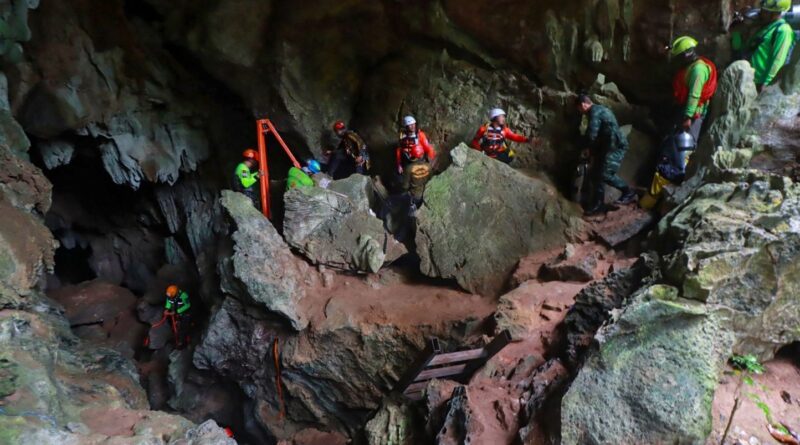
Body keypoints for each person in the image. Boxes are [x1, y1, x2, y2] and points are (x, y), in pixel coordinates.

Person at [576, 94, 637, 215]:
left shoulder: (595, 112)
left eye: (579, 109)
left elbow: (592, 133)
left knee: (605, 174)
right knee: (596, 174)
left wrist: (587, 148)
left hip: (616, 147)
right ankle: (598, 204)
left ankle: (629, 191)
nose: (580, 112)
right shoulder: (599, 110)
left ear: (583, 104)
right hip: (608, 147)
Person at [735, 0, 796, 92]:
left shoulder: (783, 30)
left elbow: (778, 60)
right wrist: (736, 33)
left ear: (775, 13)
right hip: (748, 78)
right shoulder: (766, 27)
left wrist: (766, 84)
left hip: (758, 83)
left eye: (765, 11)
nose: (761, 12)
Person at [396, 115, 436, 205]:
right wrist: (399, 164)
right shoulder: (402, 136)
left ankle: (413, 195)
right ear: (406, 127)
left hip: (418, 159)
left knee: (413, 177)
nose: (412, 127)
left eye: (414, 124)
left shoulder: (420, 135)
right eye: (410, 125)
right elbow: (399, 150)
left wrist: (430, 160)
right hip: (407, 159)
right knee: (407, 176)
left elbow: (428, 148)